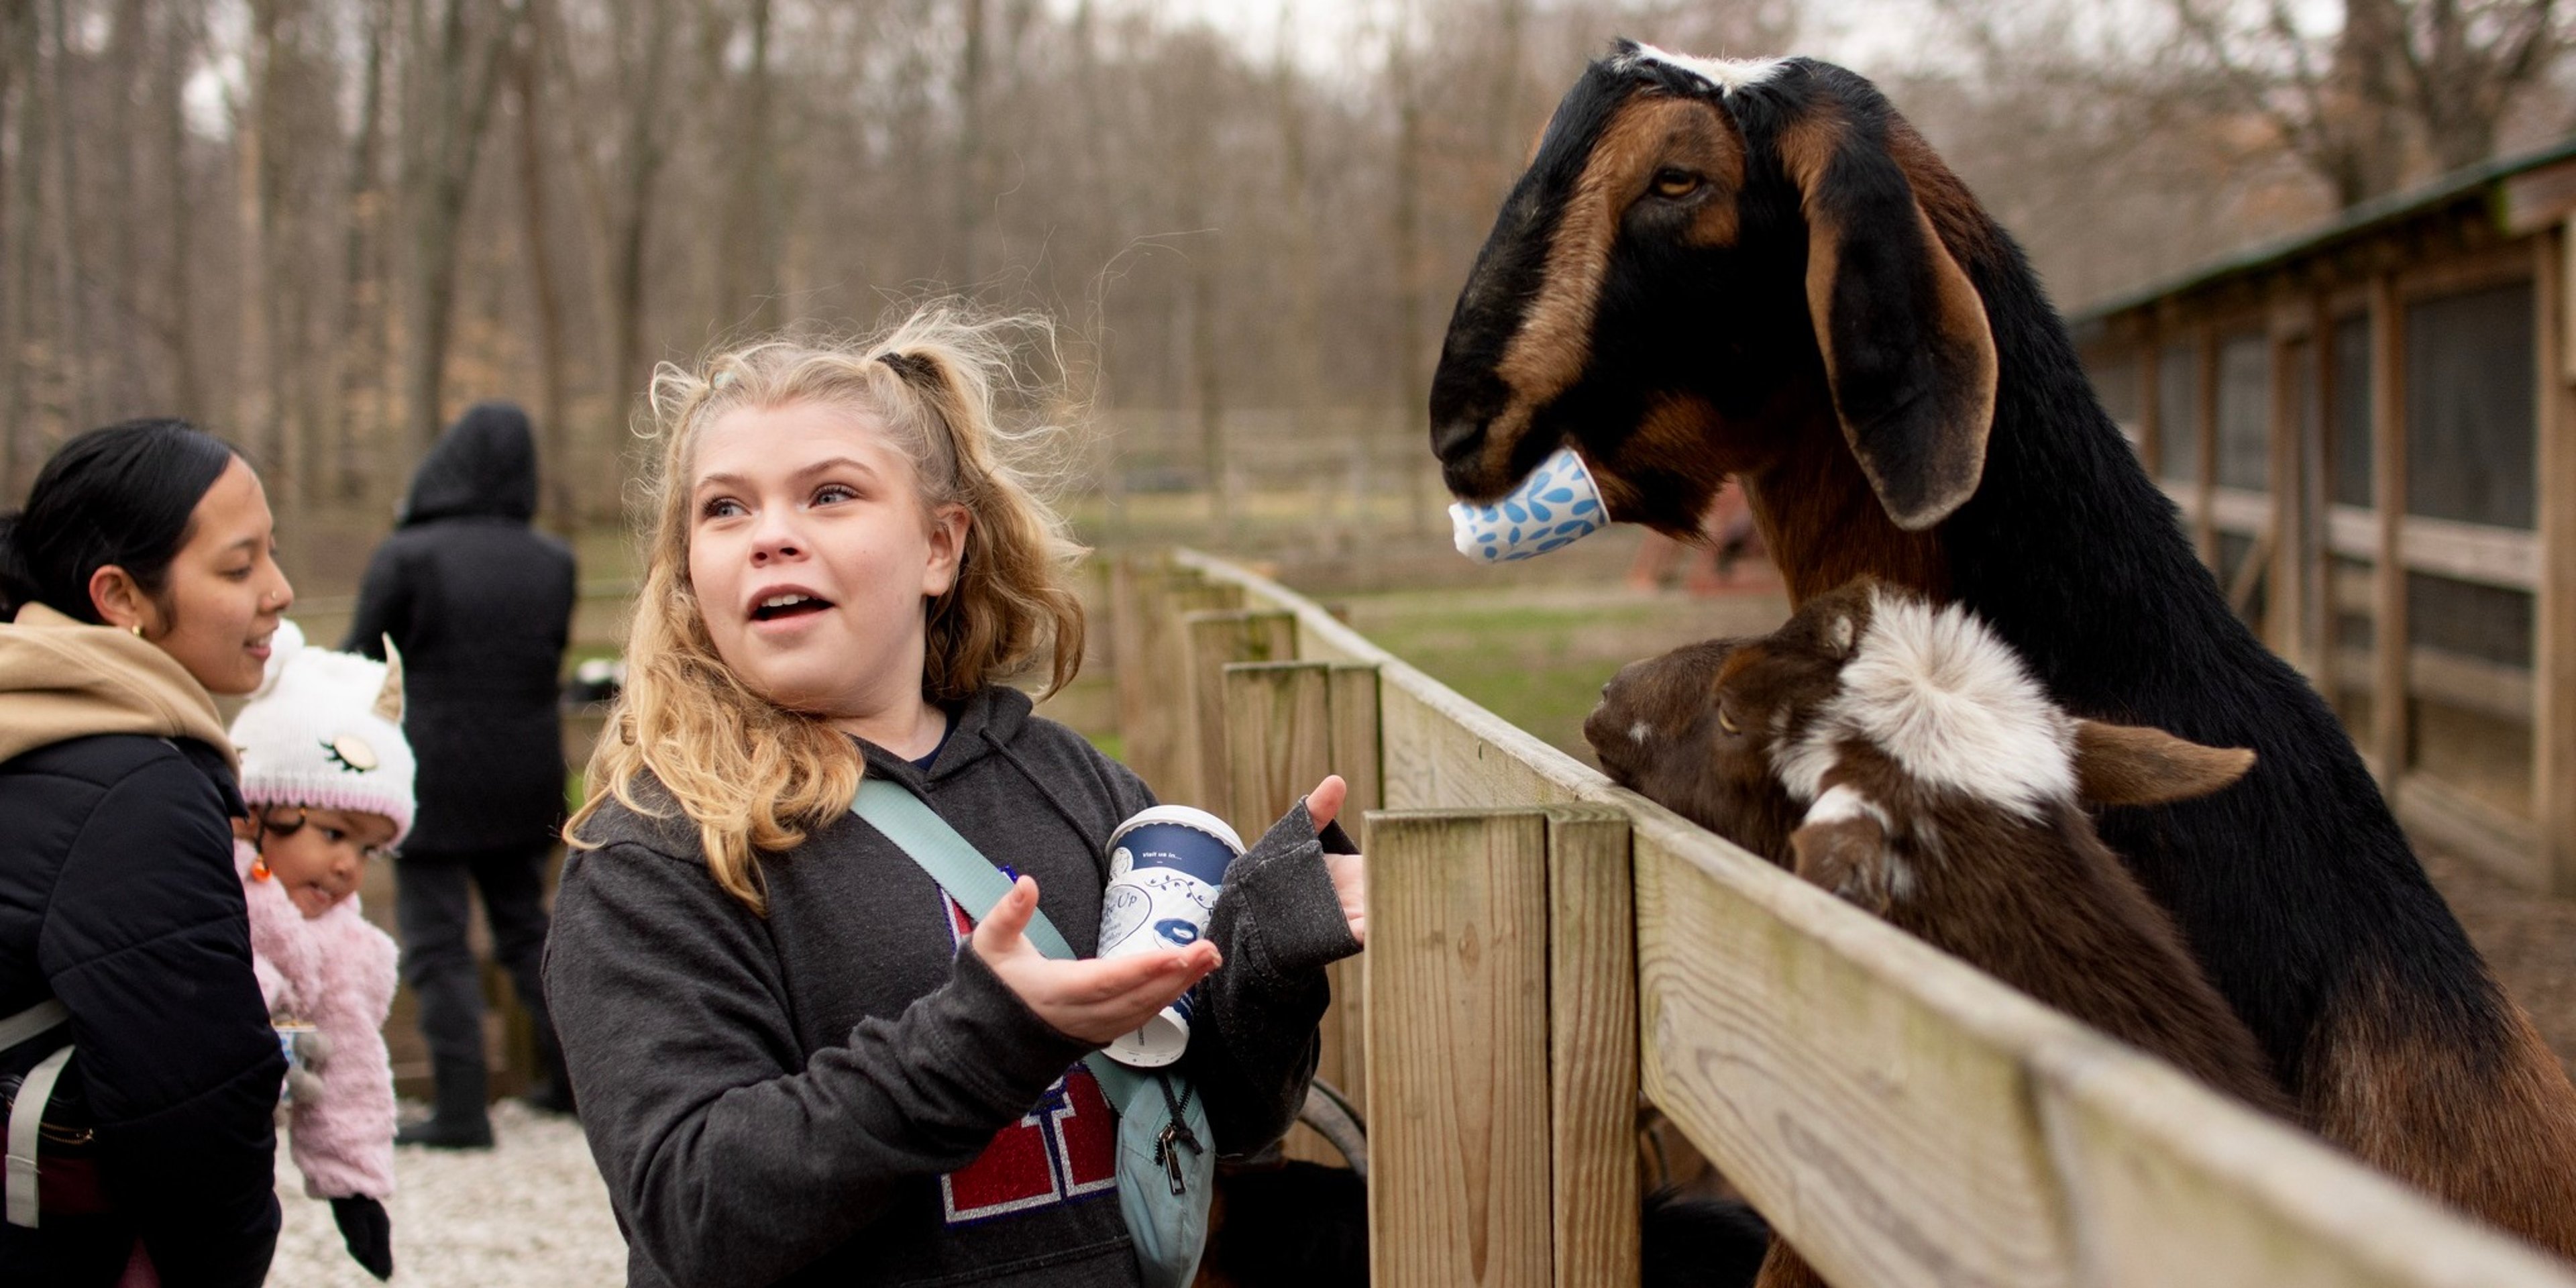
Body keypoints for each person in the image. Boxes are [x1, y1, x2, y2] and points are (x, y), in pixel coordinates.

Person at [544, 307, 1368, 1288]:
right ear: (690, 570)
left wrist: (1267, 967)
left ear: (940, 546)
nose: (770, 537)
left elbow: (1223, 1120)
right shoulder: (655, 852)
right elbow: (696, 1213)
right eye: (725, 509)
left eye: (830, 496)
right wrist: (992, 1034)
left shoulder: (1076, 786)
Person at [0, 419, 292, 1285]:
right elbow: (193, 1102)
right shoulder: (134, 789)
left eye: (270, 553)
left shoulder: (28, 721)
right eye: (238, 567)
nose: (279, 590)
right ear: (121, 597)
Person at [342, 400, 578, 1148]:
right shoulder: (555, 561)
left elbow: (358, 660)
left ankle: (460, 1110)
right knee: (525, 934)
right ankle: (573, 1086)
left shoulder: (409, 555)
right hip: (527, 771)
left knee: (438, 943)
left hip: (431, 776)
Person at [228, 620, 411, 1281]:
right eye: (333, 832)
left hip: (239, 1156)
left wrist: (353, 1183)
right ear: (255, 810)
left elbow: (353, 1057)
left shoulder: (341, 940)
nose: (347, 868)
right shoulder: (201, 887)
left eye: (366, 849)